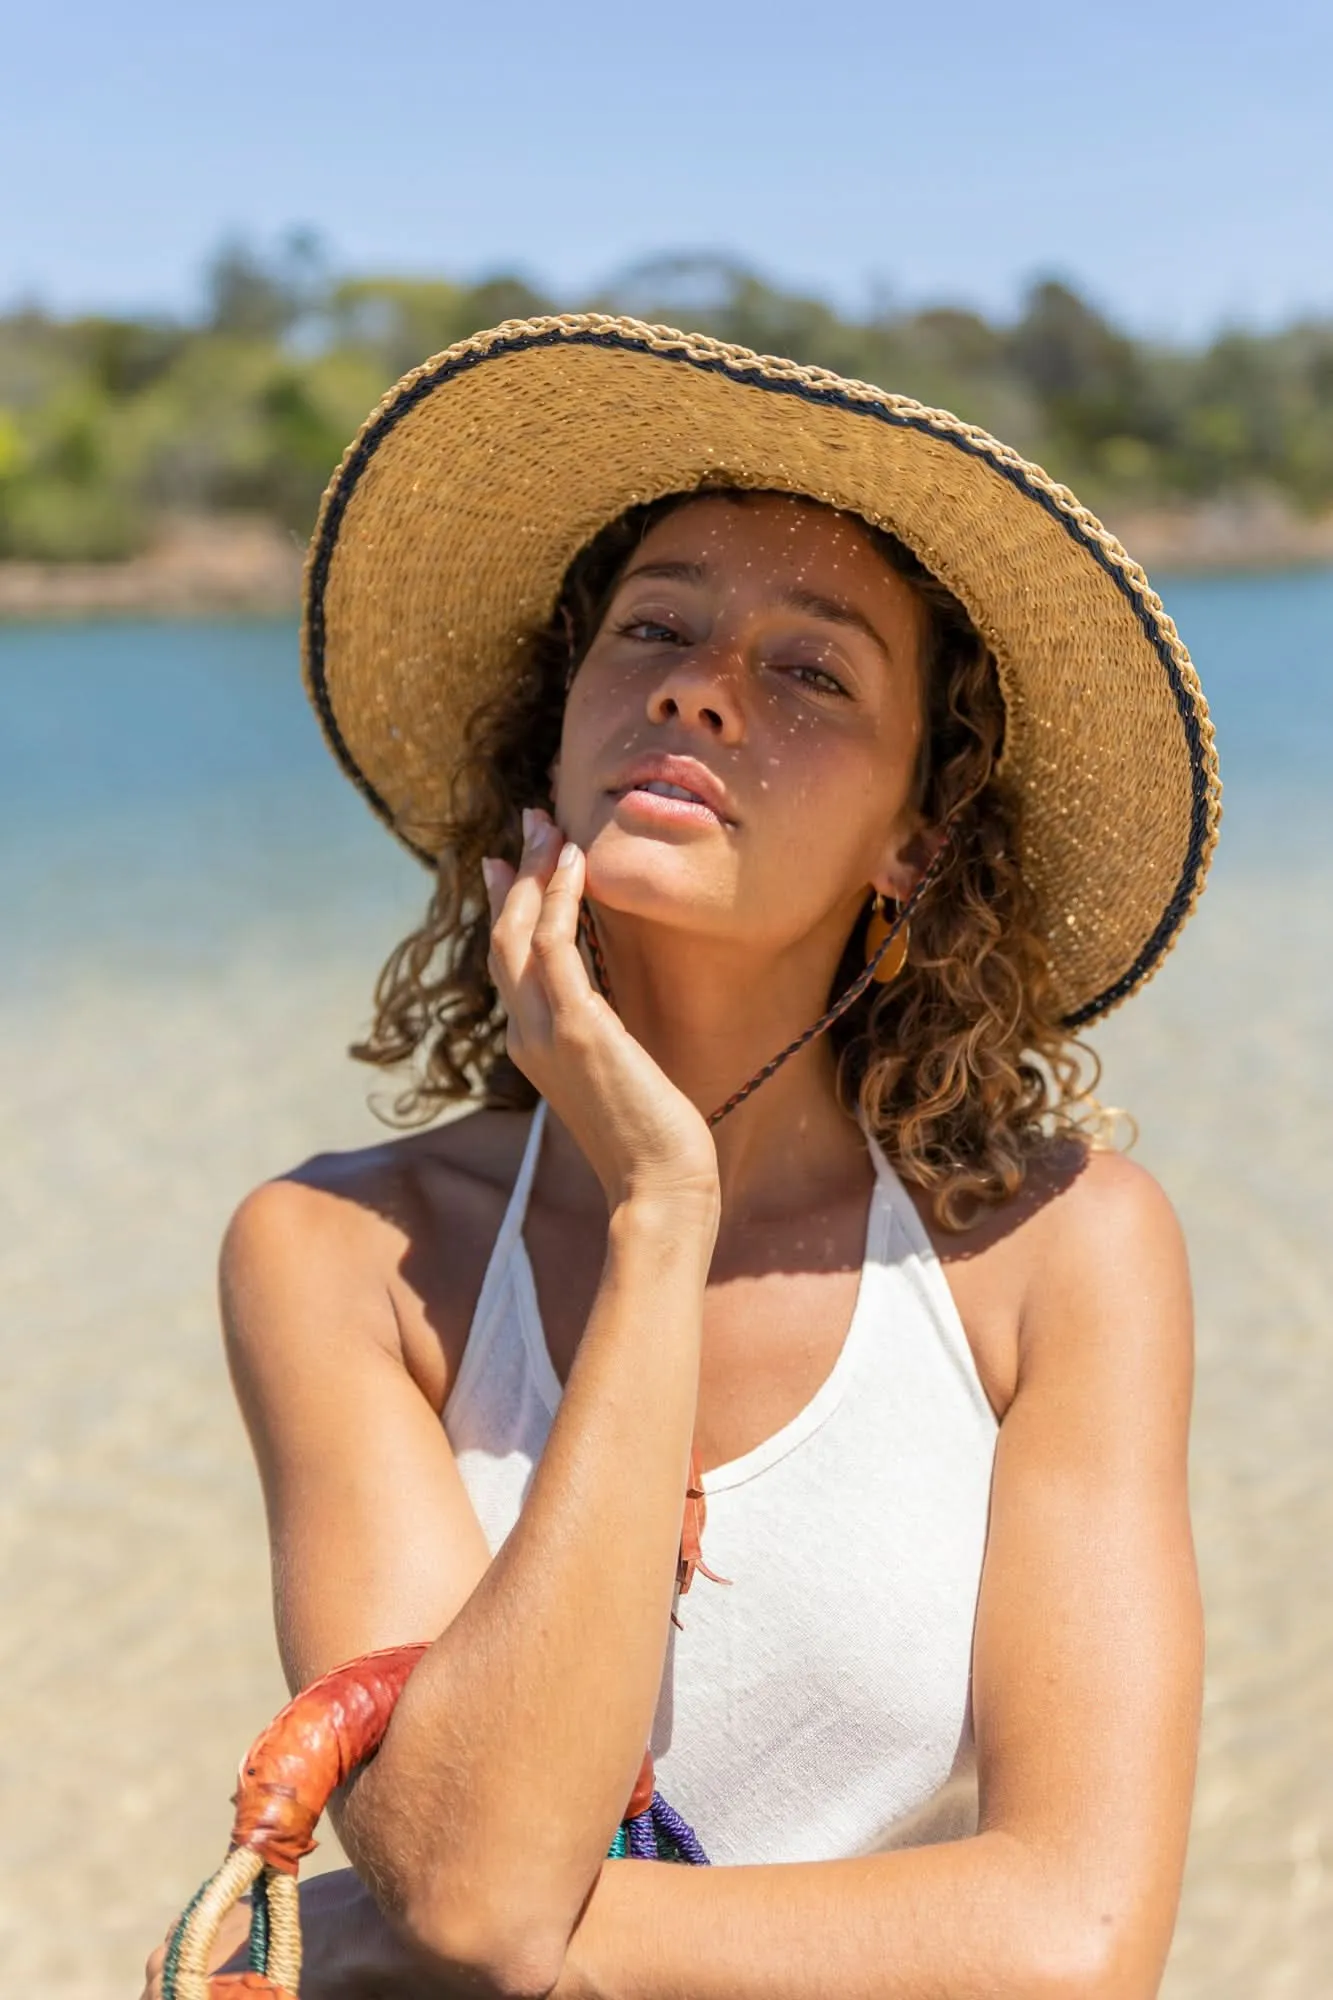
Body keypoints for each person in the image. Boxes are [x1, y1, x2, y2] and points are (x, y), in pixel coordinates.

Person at [145, 315, 1219, 2000]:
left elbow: (1077, 1946)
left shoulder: (1059, 1254)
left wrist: (399, 1931)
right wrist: (661, 1211)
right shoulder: (343, 1256)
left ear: (913, 845)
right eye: (654, 626)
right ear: (553, 739)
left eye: (813, 671)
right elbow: (475, 1882)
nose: (697, 684)